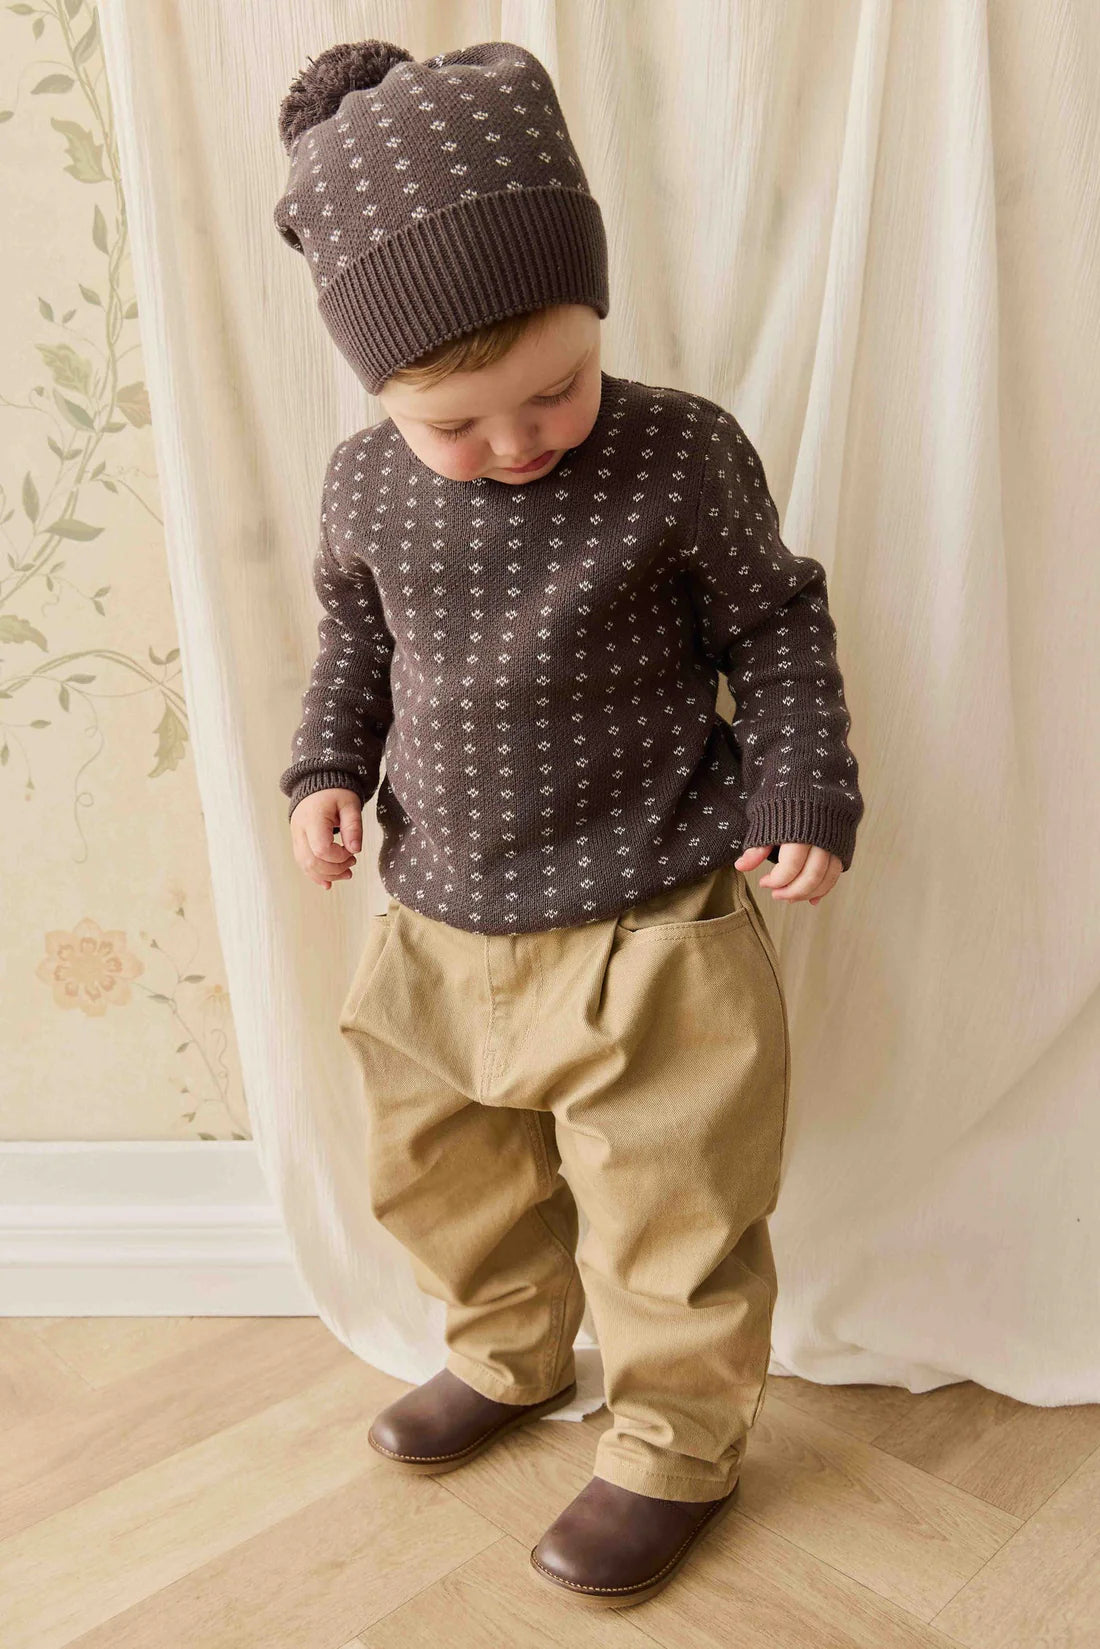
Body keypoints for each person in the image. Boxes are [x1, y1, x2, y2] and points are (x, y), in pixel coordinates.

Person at [273, 38, 864, 1609]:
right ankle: (508, 1350)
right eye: (459, 422)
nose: (520, 440)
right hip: (442, 913)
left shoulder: (680, 452)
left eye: (557, 389)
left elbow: (777, 626)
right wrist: (326, 769)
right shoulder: (364, 488)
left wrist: (804, 784)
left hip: (653, 919)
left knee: (675, 1202)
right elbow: (357, 644)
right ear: (381, 391)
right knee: (443, 1175)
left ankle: (673, 1443)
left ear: (595, 316)